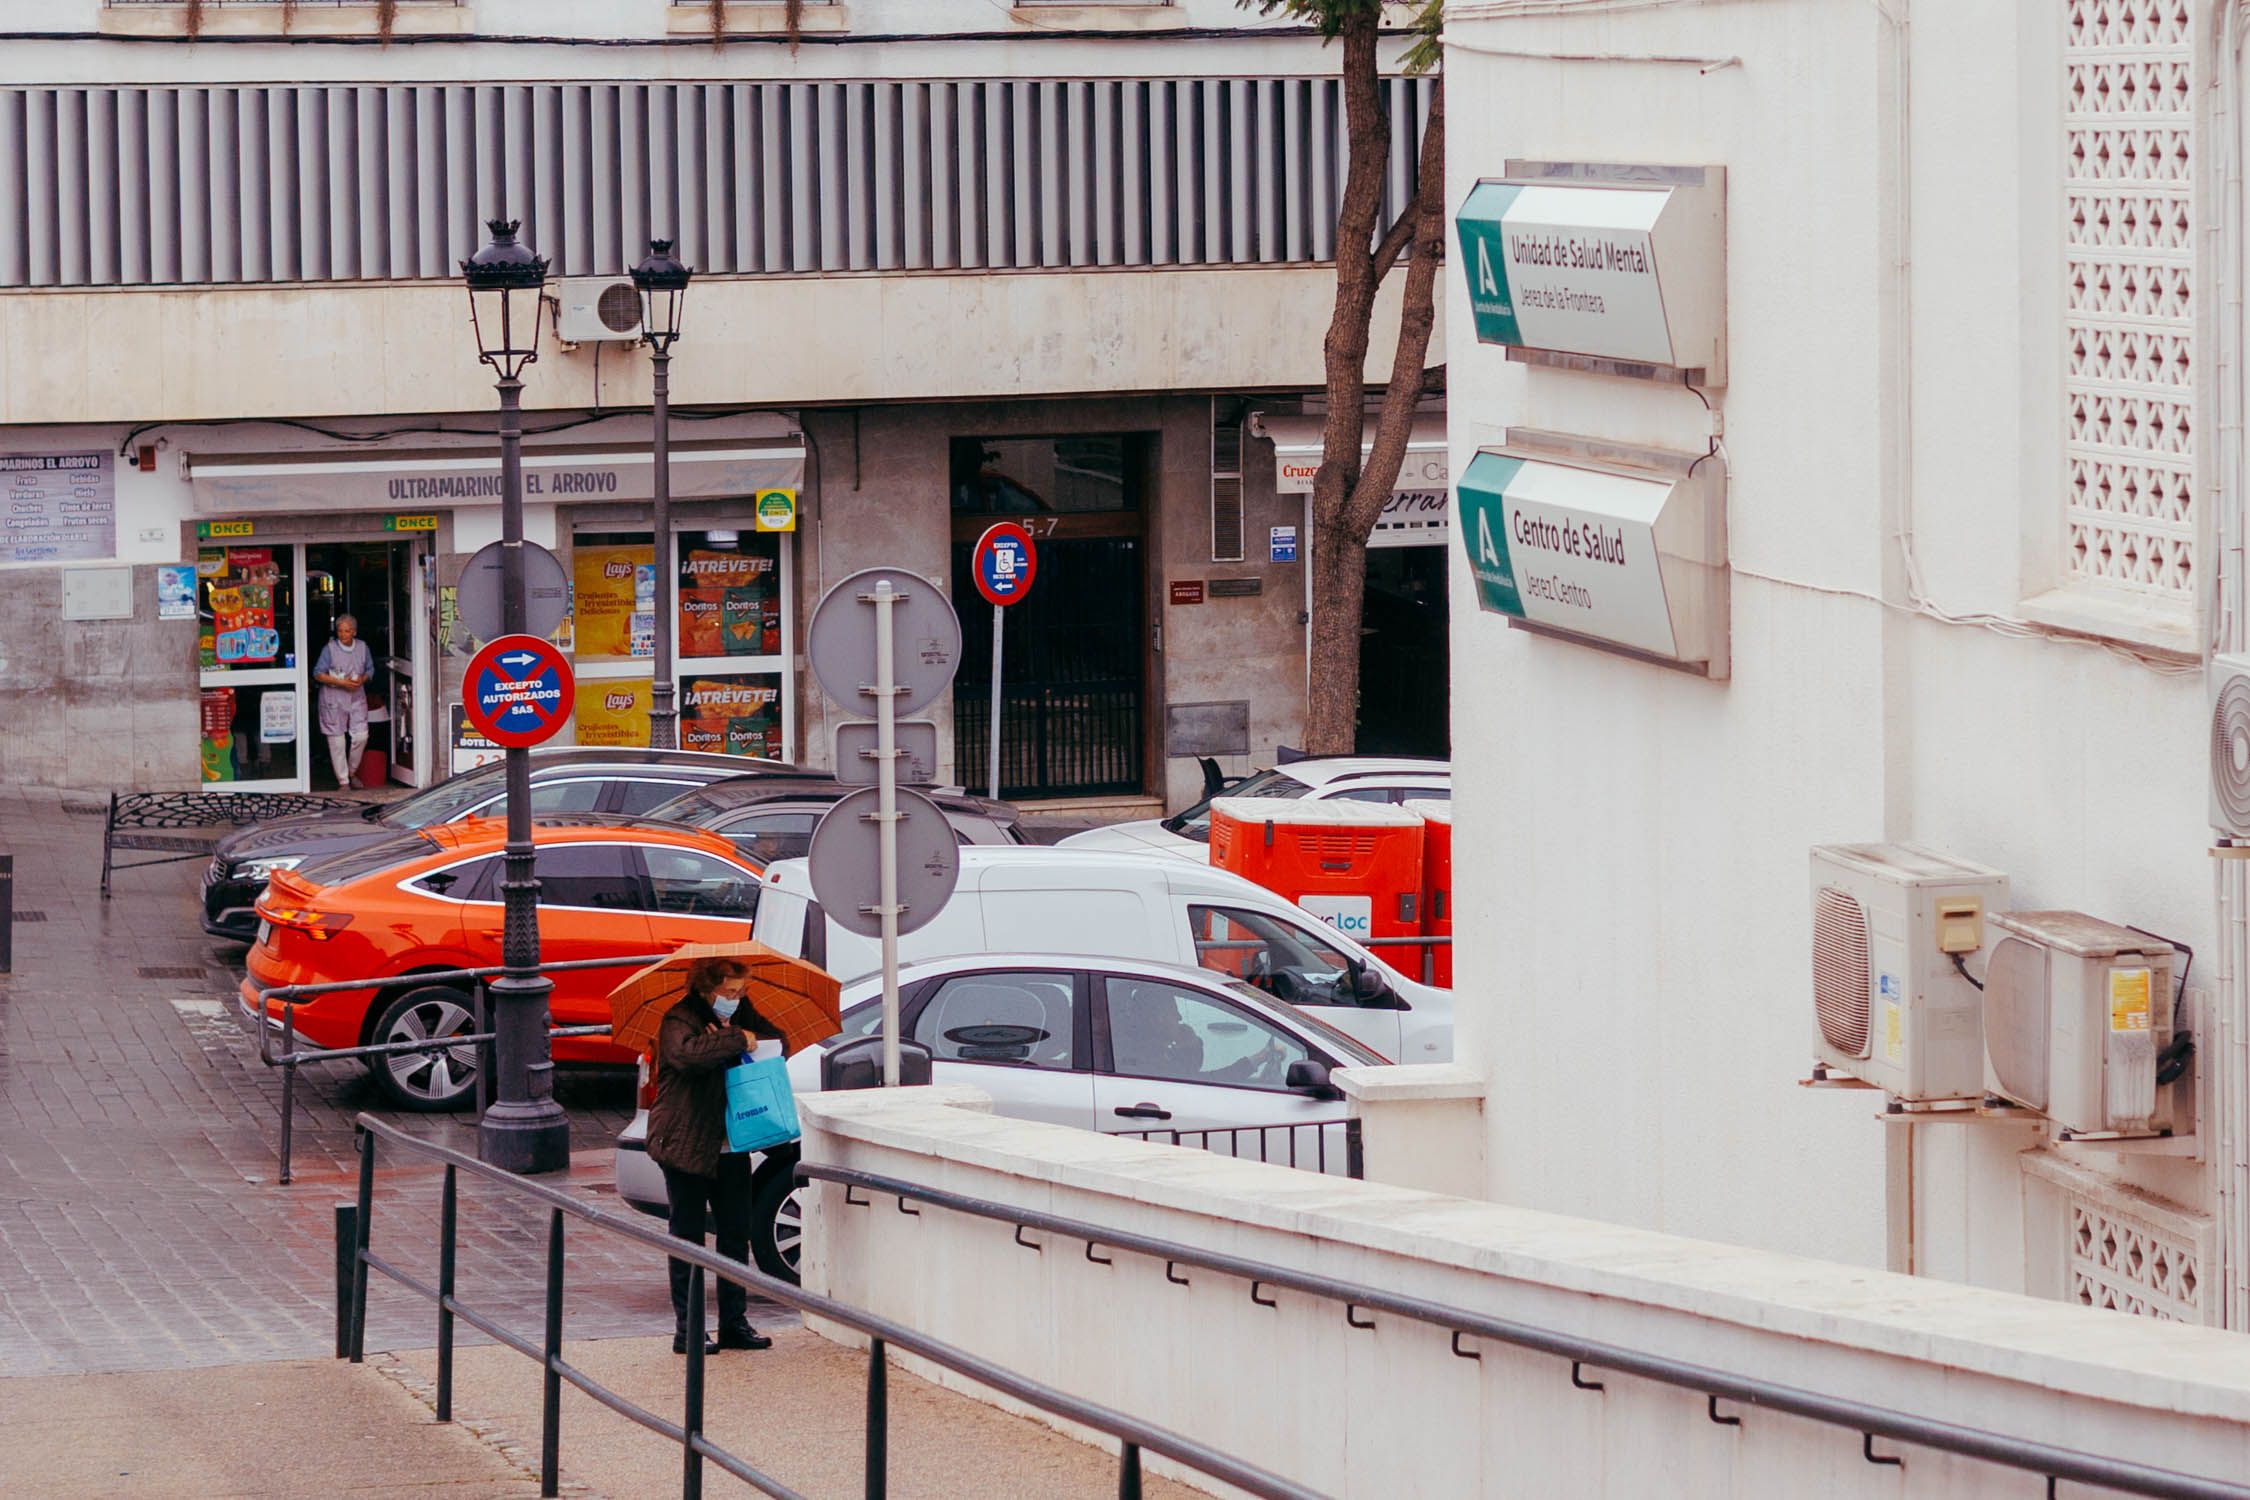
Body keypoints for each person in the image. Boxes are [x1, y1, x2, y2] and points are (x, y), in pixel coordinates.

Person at [646, 957, 777, 1355]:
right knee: (687, 1235)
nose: (736, 1000)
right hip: (684, 1143)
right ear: (707, 988)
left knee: (736, 1233)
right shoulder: (679, 1018)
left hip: (729, 1143)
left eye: (741, 992)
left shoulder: (742, 1013)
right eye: (729, 993)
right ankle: (688, 1329)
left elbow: (775, 1039)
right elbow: (687, 1056)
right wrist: (735, 1039)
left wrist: (736, 1034)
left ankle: (734, 1323)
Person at [313, 614, 374, 790]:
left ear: (354, 632)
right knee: (337, 741)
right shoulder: (329, 649)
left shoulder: (362, 647)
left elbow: (370, 669)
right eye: (340, 630)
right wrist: (341, 682)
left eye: (347, 631)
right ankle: (343, 781)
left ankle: (351, 771)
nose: (343, 634)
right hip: (333, 698)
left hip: (356, 697)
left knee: (361, 736)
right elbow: (318, 673)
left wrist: (361, 679)